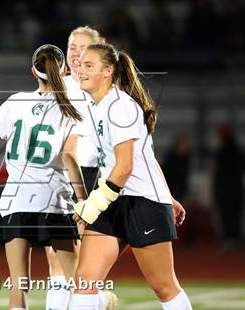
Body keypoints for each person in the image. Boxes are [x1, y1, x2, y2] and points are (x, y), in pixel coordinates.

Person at [69, 43, 192, 310]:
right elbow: (145, 156)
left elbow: (125, 167)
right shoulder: (95, 106)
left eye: (89, 65)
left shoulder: (119, 106)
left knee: (163, 286)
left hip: (141, 202)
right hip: (114, 197)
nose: (80, 70)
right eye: (80, 65)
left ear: (108, 71)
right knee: (85, 280)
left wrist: (94, 204)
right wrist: (169, 195)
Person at [0, 44, 87, 310]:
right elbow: (70, 158)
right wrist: (84, 199)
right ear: (63, 70)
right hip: (54, 200)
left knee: (18, 286)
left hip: (17, 199)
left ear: (33, 71)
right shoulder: (70, 109)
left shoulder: (15, 101)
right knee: (80, 283)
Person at [44, 25, 118, 310]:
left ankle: (97, 299)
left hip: (91, 177)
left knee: (84, 258)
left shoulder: (104, 89)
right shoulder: (59, 86)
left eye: (83, 48)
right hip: (61, 176)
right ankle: (98, 300)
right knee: (57, 255)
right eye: (71, 46)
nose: (75, 53)